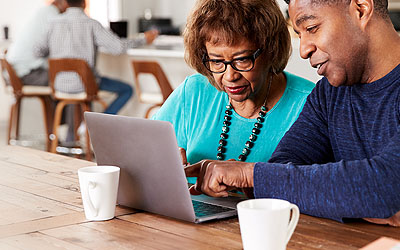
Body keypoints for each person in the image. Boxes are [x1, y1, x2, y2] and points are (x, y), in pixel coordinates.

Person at [185, 0, 400, 226]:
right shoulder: (328, 93)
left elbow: (387, 185)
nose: (304, 50)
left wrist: (250, 175)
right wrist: (361, 199)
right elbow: (280, 170)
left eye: (311, 28)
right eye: (299, 33)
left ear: (361, 8)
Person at [152, 0, 315, 184]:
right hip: (191, 212)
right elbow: (142, 150)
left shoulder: (312, 103)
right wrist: (159, 164)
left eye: (242, 60)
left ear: (271, 49)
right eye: (216, 61)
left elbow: (318, 187)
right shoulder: (194, 91)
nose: (229, 76)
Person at [34, 0, 158, 142]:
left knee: (77, 96)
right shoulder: (91, 24)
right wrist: (143, 39)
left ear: (65, 4)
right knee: (127, 89)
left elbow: (37, 51)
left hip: (59, 86)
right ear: (84, 4)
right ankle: (94, 125)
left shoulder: (52, 23)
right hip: (85, 85)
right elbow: (118, 47)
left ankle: (73, 137)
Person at [6, 0, 68, 86]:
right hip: (25, 74)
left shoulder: (43, 12)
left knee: (64, 79)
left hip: (17, 71)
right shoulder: (52, 15)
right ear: (64, 3)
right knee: (67, 81)